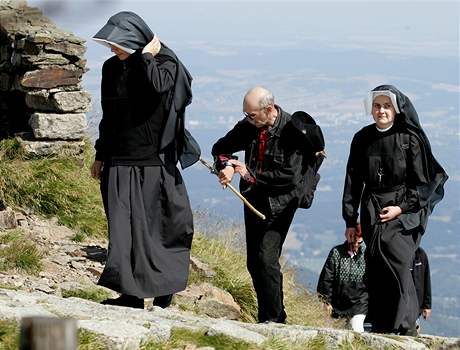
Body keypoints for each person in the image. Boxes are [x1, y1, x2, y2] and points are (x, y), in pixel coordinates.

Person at [90, 11, 200, 309]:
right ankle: (131, 294)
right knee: (123, 230)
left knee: (160, 228)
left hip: (153, 161)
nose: (112, 49)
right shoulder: (111, 69)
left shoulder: (165, 64)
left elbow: (158, 88)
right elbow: (109, 115)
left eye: (117, 43)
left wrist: (146, 57)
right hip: (119, 160)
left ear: (135, 40)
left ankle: (164, 289)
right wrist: (101, 154)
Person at [211, 87, 325, 323]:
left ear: (269, 109)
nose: (247, 119)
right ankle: (267, 315)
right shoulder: (249, 126)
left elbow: (290, 177)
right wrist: (228, 166)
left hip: (281, 202)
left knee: (266, 257)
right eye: (245, 114)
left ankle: (274, 319)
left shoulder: (293, 132)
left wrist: (249, 174)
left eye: (251, 115)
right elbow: (220, 148)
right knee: (253, 262)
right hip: (254, 198)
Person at [342, 85, 447, 335]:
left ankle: (405, 327)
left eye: (387, 106)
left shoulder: (409, 138)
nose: (381, 111)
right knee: (377, 264)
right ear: (371, 109)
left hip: (404, 209)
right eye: (377, 106)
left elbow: (422, 182)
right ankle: (382, 325)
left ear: (396, 108)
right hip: (372, 208)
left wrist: (400, 208)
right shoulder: (362, 138)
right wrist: (350, 219)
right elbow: (353, 181)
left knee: (399, 264)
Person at [317, 224, 368, 332]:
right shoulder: (336, 252)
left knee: (356, 329)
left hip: (359, 303)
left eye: (359, 241)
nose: (355, 244)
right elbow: (326, 279)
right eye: (353, 239)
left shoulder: (367, 254)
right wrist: (326, 301)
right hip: (338, 303)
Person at [411, 247, 432, 334]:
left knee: (414, 331)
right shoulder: (400, 251)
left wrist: (427, 305)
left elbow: (426, 279)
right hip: (403, 300)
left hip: (417, 303)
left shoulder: (420, 254)